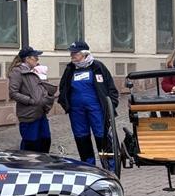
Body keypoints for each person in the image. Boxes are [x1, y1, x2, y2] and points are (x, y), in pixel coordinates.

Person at [58, 40, 119, 170]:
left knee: (101, 136)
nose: (72, 55)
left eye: (75, 53)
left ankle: (109, 166)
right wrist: (66, 104)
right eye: (71, 53)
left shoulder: (98, 67)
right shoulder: (70, 69)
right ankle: (88, 166)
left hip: (97, 110)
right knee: (81, 137)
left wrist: (111, 105)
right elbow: (63, 87)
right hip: (76, 111)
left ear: (84, 54)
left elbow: (111, 88)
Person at [7, 45, 57, 152]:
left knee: (45, 140)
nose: (37, 59)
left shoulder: (36, 70)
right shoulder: (17, 71)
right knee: (31, 145)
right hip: (28, 114)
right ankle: (26, 162)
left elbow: (41, 89)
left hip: (41, 113)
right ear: (27, 58)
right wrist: (31, 101)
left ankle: (43, 162)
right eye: (35, 57)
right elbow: (13, 93)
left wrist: (47, 95)